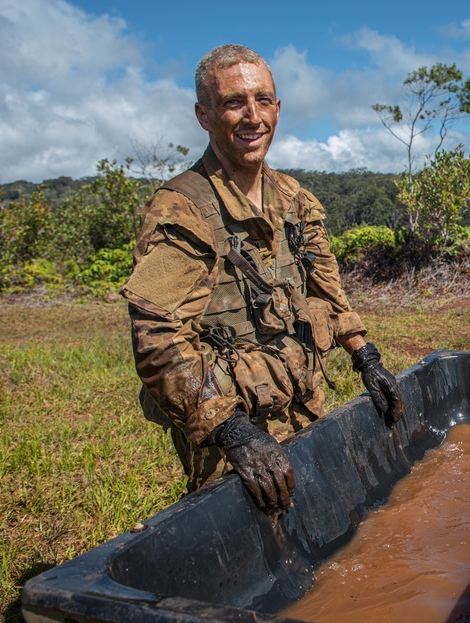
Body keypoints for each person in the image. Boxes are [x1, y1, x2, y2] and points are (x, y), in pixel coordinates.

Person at [121, 44, 403, 514]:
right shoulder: (183, 208)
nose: (253, 116)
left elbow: (327, 291)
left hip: (302, 395)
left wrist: (366, 357)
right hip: (227, 418)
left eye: (263, 100)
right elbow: (158, 338)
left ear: (277, 107)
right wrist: (232, 432)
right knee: (247, 542)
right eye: (234, 103)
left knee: (323, 519)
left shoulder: (295, 198)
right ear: (204, 115)